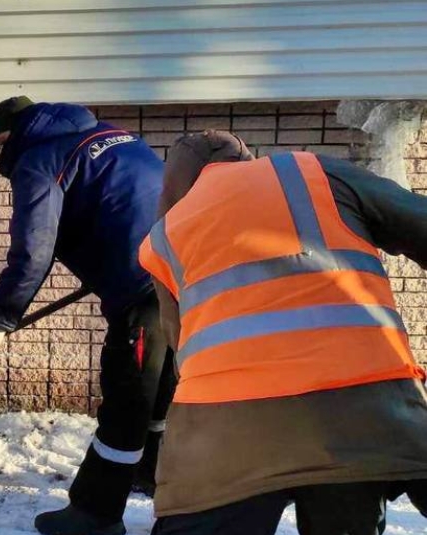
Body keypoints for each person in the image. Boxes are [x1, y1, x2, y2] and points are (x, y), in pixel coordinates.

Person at [138, 130, 427, 535]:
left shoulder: (161, 238)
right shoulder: (310, 172)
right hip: (365, 415)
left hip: (225, 436)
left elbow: (180, 343)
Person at [0, 97, 176, 535]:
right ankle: (152, 472)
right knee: (158, 392)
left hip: (143, 287)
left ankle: (95, 514)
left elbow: (32, 251)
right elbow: (128, 204)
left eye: (0, 141)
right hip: (182, 278)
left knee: (126, 397)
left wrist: (0, 319)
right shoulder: (112, 136)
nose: (0, 152)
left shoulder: (39, 158)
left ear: (12, 133)